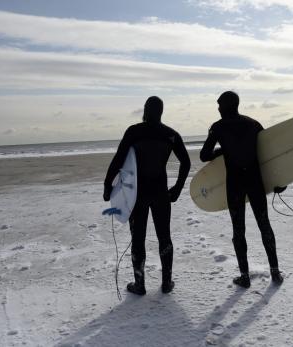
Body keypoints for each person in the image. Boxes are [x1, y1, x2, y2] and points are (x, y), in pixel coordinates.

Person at [103, 96, 190, 295]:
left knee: (138, 238)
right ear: (161, 111)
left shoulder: (134, 132)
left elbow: (118, 159)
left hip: (137, 195)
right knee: (164, 237)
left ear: (145, 110)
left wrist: (108, 185)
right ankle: (167, 283)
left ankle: (139, 284)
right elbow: (186, 162)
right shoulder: (170, 134)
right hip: (160, 192)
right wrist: (177, 188)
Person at [200, 91, 283, 288]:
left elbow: (204, 155)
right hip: (255, 182)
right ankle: (275, 273)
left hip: (235, 184)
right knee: (265, 226)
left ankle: (244, 276)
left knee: (239, 231)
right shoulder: (253, 124)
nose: (218, 108)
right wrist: (279, 180)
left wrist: (223, 150)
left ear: (227, 106)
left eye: (220, 105)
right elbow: (268, 154)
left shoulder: (218, 127)